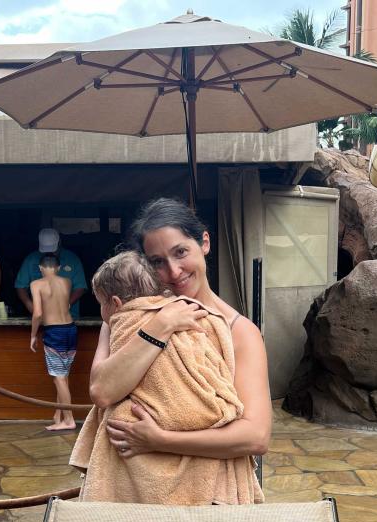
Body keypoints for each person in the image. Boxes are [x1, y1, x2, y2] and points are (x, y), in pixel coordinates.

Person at [89, 198, 271, 504]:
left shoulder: (240, 333)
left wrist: (159, 441)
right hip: (133, 491)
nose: (173, 271)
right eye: (157, 261)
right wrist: (161, 325)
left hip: (210, 497)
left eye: (181, 252)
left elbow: (256, 435)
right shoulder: (126, 317)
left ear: (204, 243)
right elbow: (101, 391)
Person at [29, 252, 77, 432]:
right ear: (57, 267)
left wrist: (33, 335)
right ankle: (59, 416)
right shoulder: (67, 282)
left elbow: (38, 313)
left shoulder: (36, 284)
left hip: (54, 331)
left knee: (59, 378)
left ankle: (69, 419)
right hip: (70, 329)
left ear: (40, 268)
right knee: (63, 377)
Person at [15, 228, 86, 318]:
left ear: (59, 242)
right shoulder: (31, 260)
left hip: (68, 317)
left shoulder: (73, 260)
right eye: (45, 250)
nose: (49, 253)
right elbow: (20, 286)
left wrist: (66, 305)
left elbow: (80, 287)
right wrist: (29, 304)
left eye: (52, 250)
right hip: (40, 317)